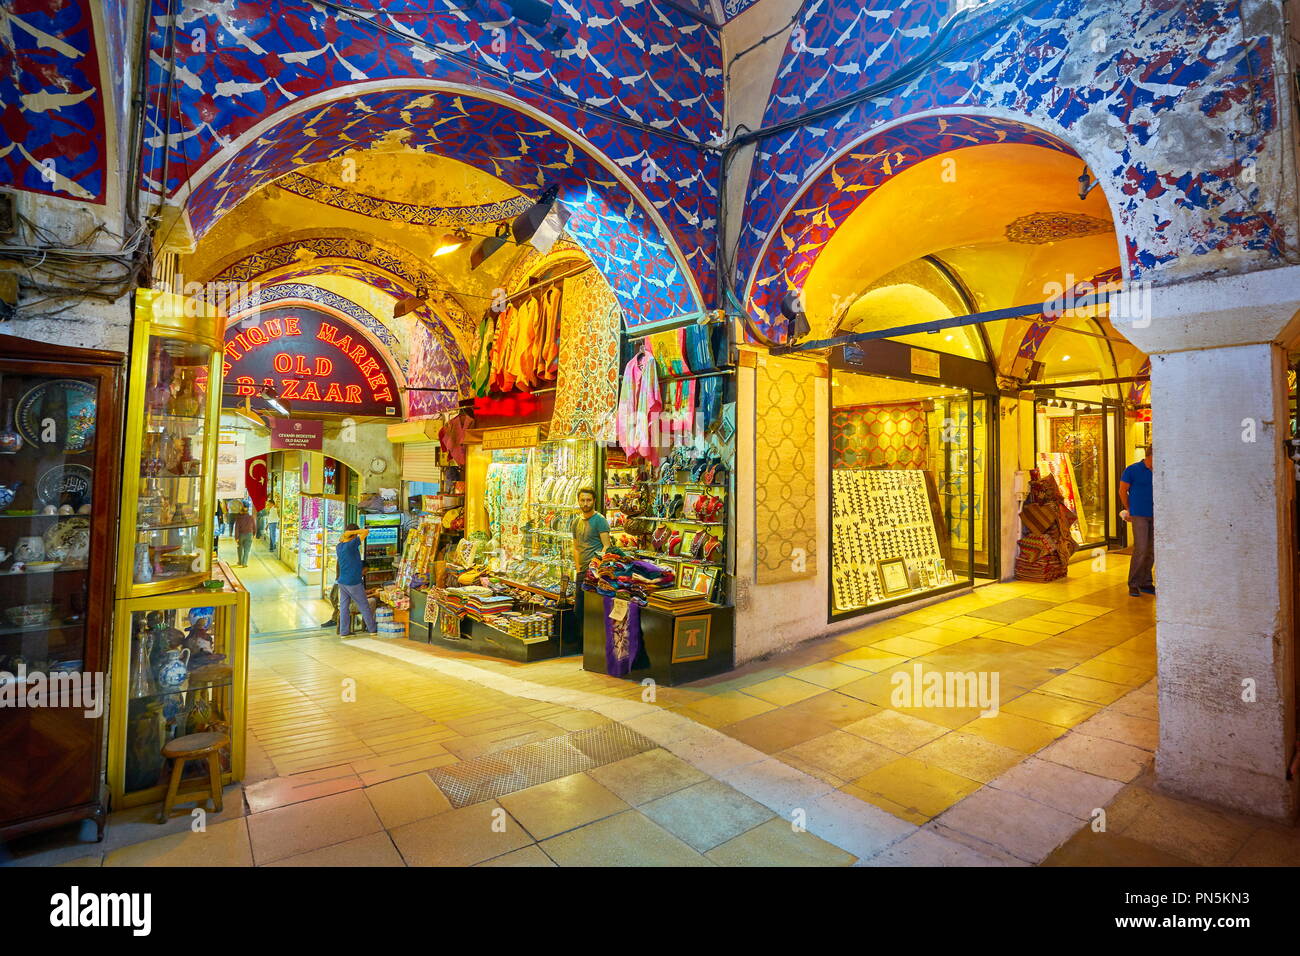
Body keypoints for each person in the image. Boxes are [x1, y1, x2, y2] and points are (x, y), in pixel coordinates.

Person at [1120, 445, 1155, 597]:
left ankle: (1146, 582)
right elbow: (1122, 491)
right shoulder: (1132, 470)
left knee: (1152, 550)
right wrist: (1129, 508)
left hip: (1156, 515)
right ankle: (1133, 583)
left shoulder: (1160, 471)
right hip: (1139, 514)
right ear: (1150, 455)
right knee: (1140, 549)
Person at [336, 523, 377, 637]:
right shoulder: (352, 544)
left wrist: (348, 533)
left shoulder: (339, 546)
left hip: (342, 582)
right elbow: (365, 532)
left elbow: (342, 538)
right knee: (364, 605)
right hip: (353, 581)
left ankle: (344, 632)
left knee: (344, 607)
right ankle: (372, 629)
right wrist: (354, 532)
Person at [572, 487, 611, 582]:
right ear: (578, 501)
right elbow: (576, 548)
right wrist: (578, 569)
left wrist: (596, 568)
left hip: (596, 572)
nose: (585, 504)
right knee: (580, 597)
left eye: (589, 500)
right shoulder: (576, 522)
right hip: (581, 571)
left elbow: (606, 546)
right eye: (582, 500)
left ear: (594, 500)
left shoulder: (600, 520)